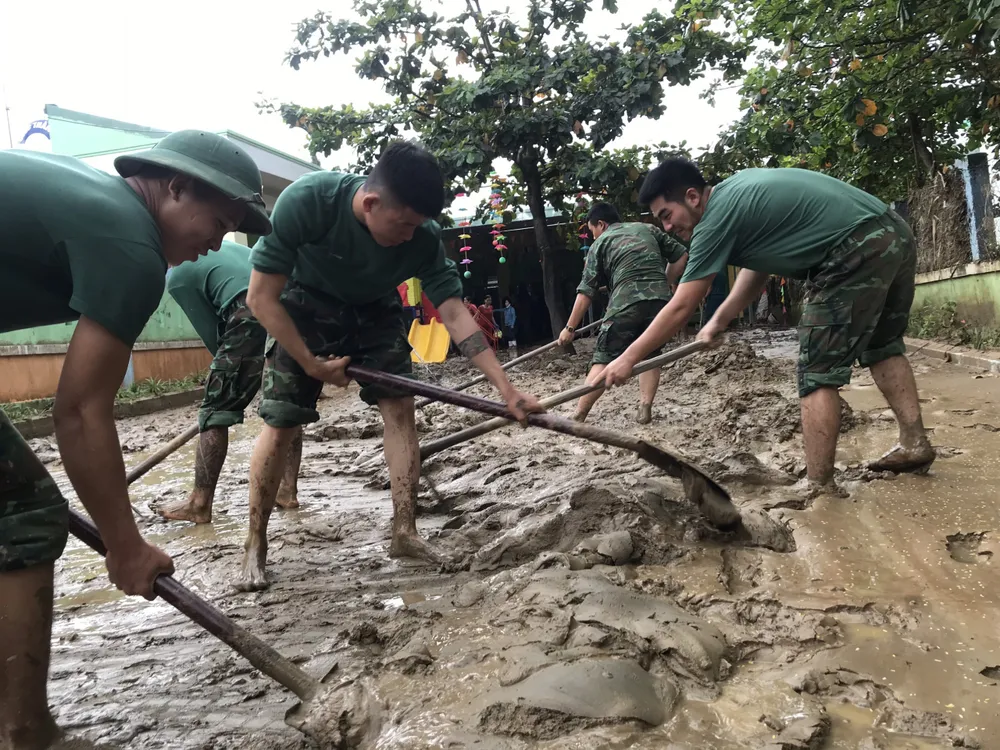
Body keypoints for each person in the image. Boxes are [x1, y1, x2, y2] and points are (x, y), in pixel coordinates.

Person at [0, 130, 270, 749]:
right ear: (174, 186)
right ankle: (26, 735)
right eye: (218, 222)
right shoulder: (129, 243)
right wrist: (125, 547)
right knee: (24, 513)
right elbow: (80, 412)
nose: (213, 244)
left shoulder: (92, 199)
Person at [242, 140, 544, 591]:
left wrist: (505, 388)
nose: (409, 236)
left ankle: (404, 531)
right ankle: (254, 544)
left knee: (401, 407)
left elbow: (455, 313)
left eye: (417, 225)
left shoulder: (420, 237)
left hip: (375, 310)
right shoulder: (306, 202)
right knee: (283, 422)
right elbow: (260, 297)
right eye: (402, 224)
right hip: (302, 305)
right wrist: (309, 364)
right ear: (370, 202)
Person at [594, 158, 935, 495]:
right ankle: (914, 442)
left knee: (816, 370)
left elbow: (681, 304)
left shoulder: (715, 219)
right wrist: (720, 319)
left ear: (693, 197)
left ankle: (817, 486)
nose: (667, 227)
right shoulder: (736, 194)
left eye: (666, 215)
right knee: (882, 345)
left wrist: (629, 358)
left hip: (852, 248)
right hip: (892, 233)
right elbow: (757, 269)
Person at [157, 241, 302, 525]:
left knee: (214, 412)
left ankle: (199, 503)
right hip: (291, 307)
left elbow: (214, 335)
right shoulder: (222, 248)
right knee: (285, 406)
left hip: (249, 309)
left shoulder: (177, 276)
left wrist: (225, 383)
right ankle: (286, 490)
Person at [558, 202, 688, 424]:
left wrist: (570, 329)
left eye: (592, 231)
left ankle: (579, 415)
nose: (592, 236)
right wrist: (662, 284)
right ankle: (645, 408)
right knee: (650, 353)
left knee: (604, 357)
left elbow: (585, 292)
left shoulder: (601, 243)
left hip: (624, 304)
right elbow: (681, 255)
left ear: (601, 224)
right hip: (659, 304)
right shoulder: (648, 229)